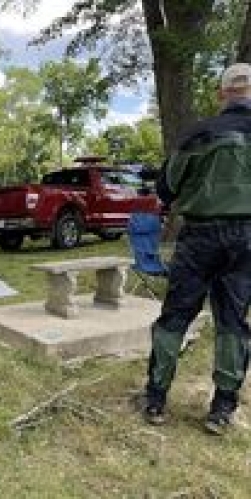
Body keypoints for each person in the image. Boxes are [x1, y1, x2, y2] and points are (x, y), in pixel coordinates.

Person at [144, 63, 251, 435]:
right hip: (247, 238)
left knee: (176, 315)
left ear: (223, 94)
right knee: (233, 321)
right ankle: (222, 409)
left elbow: (165, 187)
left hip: (199, 235)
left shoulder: (199, 133)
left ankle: (156, 399)